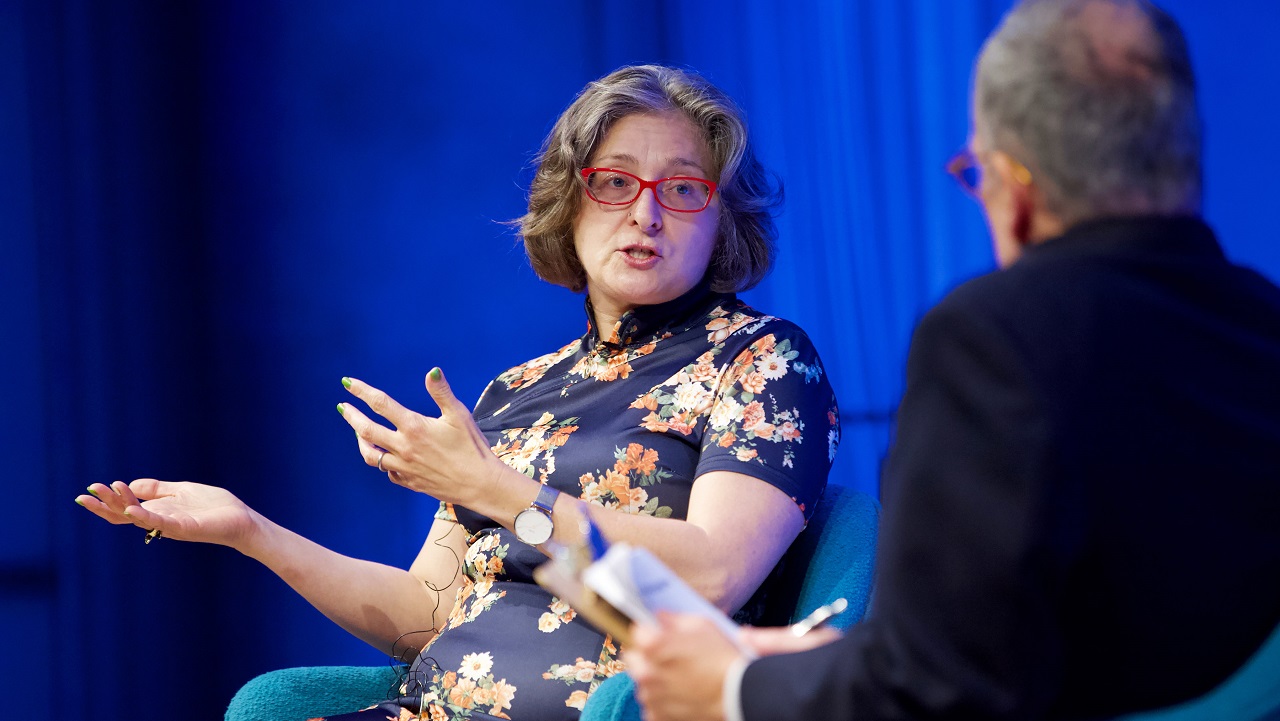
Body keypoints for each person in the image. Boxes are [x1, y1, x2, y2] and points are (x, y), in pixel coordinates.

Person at [75, 64, 841, 721]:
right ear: (569, 204)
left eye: (682, 188)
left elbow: (713, 572)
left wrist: (492, 487)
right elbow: (431, 613)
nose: (645, 211)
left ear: (721, 220)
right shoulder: (517, 389)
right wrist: (251, 530)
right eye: (613, 182)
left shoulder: (764, 361)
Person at [627, 2, 1280, 720]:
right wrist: (833, 664)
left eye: (977, 178)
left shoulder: (994, 339)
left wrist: (733, 688)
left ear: (1016, 190)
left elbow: (936, 688)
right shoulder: (1262, 326)